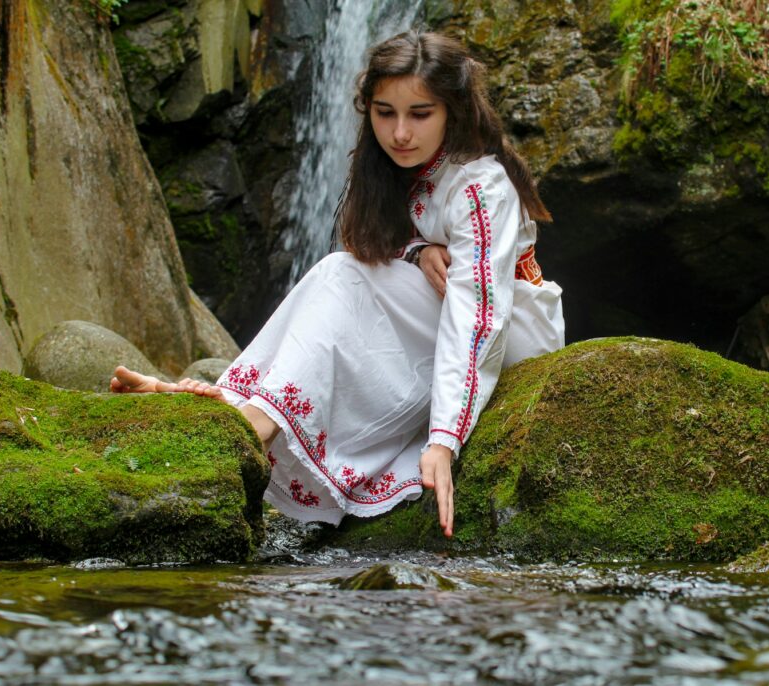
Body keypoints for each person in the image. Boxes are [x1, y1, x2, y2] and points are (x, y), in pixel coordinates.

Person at [111, 31, 564, 538]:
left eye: (420, 114)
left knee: (343, 277)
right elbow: (378, 245)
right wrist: (417, 252)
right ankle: (241, 410)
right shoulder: (398, 166)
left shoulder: (483, 186)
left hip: (511, 334)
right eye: (384, 112)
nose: (399, 133)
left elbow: (479, 316)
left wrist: (443, 440)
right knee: (339, 271)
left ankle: (246, 425)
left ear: (453, 112)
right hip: (437, 312)